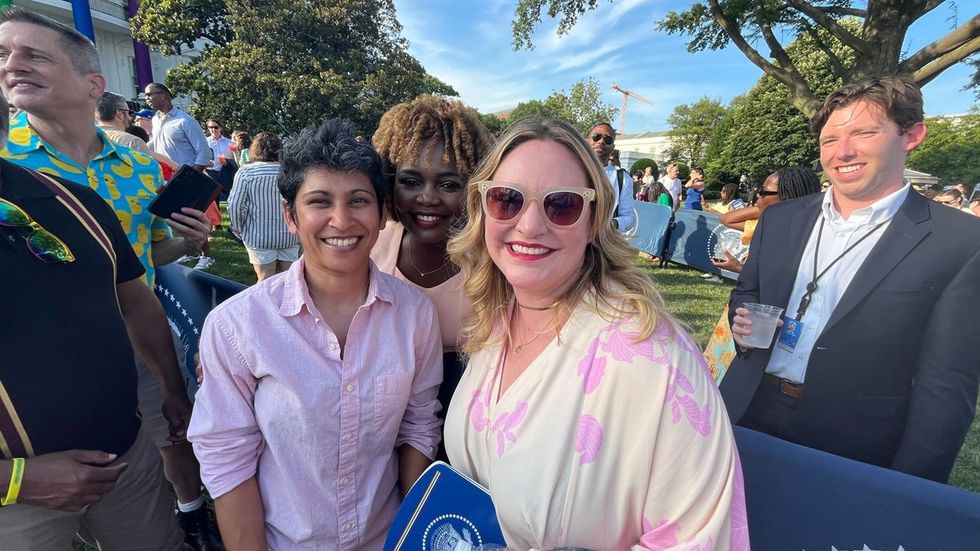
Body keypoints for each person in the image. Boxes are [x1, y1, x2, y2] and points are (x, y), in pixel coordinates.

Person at [445, 118, 746, 549]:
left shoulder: (655, 357)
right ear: (483, 210)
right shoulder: (495, 323)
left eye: (561, 204)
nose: (529, 225)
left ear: (593, 222)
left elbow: (699, 538)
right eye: (507, 199)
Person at [0, 9, 222, 548]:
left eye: (31, 54)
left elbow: (141, 259)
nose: (11, 67)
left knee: (170, 438)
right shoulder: (9, 159)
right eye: (3, 56)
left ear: (93, 84)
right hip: (29, 418)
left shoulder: (137, 166)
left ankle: (190, 512)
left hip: (135, 334)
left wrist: (187, 242)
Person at [188, 119, 443, 551]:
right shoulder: (237, 326)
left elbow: (418, 428)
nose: (341, 220)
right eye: (320, 201)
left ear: (382, 214)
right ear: (291, 216)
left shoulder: (415, 315)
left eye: (358, 201)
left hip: (384, 538)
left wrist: (409, 538)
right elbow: (228, 459)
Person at [720, 76, 980, 483]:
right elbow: (747, 294)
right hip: (746, 410)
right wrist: (743, 318)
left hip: (854, 442)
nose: (843, 152)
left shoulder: (961, 241)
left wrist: (910, 489)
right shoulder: (781, 218)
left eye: (864, 133)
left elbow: (947, 385)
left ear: (911, 135)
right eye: (829, 140)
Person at [370, 95, 491, 415]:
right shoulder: (371, 246)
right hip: (379, 413)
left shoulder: (492, 259)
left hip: (467, 412)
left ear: (472, 188)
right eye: (410, 181)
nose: (427, 198)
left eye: (448, 185)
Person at [703, 167, 822, 381]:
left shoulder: (814, 237)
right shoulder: (763, 225)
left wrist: (783, 207)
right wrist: (768, 209)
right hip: (747, 315)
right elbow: (728, 219)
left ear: (786, 196)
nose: (757, 196)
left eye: (764, 192)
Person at [227, 132, 299, 281]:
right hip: (290, 234)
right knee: (290, 279)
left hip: (259, 236)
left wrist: (238, 227)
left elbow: (235, 205)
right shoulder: (290, 172)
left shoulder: (246, 172)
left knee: (265, 280)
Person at [145, 82, 210, 172]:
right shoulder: (155, 120)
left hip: (185, 178)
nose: (146, 99)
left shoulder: (185, 120)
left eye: (149, 95)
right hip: (164, 177)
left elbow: (204, 152)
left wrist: (191, 176)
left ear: (163, 95)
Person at [586, 122, 636, 233]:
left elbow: (629, 217)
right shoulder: (570, 170)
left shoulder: (622, 178)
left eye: (608, 139)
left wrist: (612, 224)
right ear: (587, 141)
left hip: (601, 243)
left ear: (612, 147)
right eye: (596, 137)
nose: (601, 141)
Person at [205, 118, 236, 197]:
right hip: (210, 171)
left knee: (226, 195)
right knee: (211, 195)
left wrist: (227, 162)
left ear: (220, 128)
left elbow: (235, 159)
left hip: (224, 172)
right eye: (211, 127)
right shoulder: (205, 142)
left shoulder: (229, 142)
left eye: (216, 127)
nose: (213, 129)